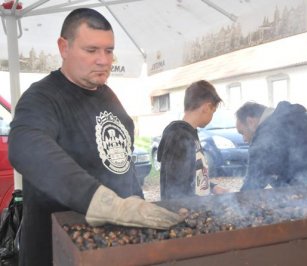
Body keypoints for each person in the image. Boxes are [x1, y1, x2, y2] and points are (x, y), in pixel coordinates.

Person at [8, 8, 181, 266]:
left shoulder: (109, 95)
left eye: (109, 51)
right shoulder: (42, 98)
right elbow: (25, 146)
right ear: (63, 47)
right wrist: (105, 203)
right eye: (91, 51)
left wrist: (134, 202)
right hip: (58, 251)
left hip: (113, 249)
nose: (104, 60)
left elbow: (121, 162)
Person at [157, 80, 228, 200]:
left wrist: (212, 187)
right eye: (213, 111)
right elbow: (174, 186)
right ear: (207, 107)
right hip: (183, 214)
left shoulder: (190, 133)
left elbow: (190, 178)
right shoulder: (179, 136)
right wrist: (182, 211)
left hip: (195, 209)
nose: (212, 116)